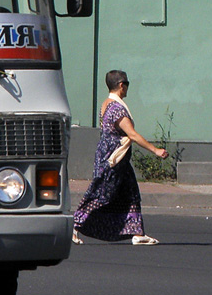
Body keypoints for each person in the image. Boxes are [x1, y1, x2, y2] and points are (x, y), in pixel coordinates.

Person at [72, 70, 169, 245]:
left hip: (117, 158)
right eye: (127, 84)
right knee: (102, 193)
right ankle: (75, 225)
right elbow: (132, 135)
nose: (127, 88)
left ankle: (137, 232)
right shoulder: (117, 108)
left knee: (131, 193)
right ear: (121, 85)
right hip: (113, 160)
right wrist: (155, 150)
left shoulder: (106, 103)